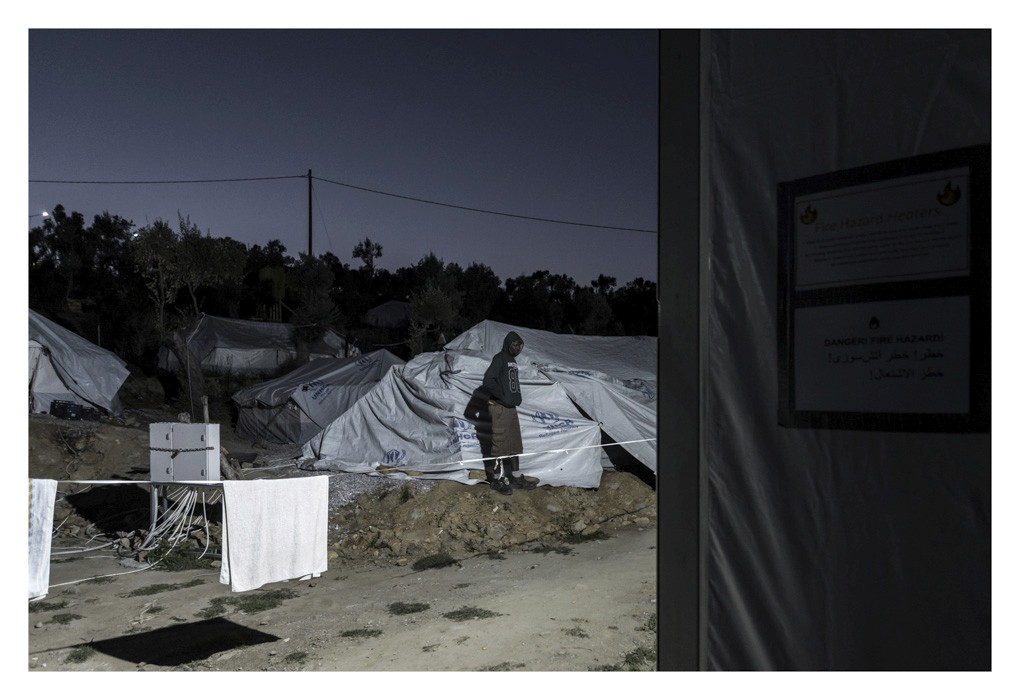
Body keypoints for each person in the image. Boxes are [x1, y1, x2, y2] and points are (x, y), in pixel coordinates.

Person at [482, 331, 537, 495]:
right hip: (500, 408)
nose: (518, 348)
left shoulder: (512, 361)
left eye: (520, 345)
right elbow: (488, 380)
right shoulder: (499, 358)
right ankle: (497, 480)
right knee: (500, 444)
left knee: (513, 444)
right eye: (515, 345)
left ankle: (512, 477)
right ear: (508, 344)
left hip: (510, 408)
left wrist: (512, 399)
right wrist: (502, 396)